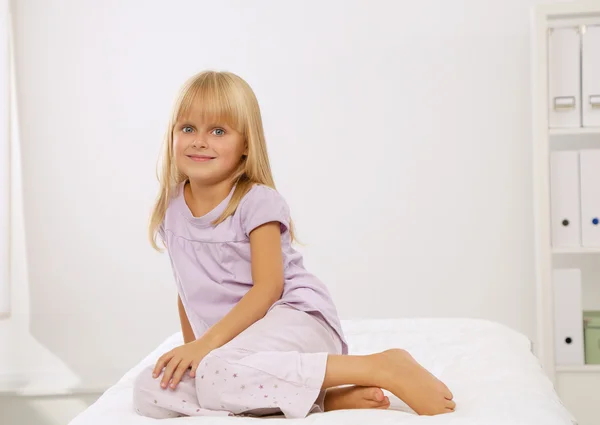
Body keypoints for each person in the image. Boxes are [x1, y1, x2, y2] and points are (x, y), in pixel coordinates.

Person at [132, 70, 455, 419]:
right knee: (149, 390)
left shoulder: (257, 202)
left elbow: (269, 288)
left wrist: (207, 347)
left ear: (246, 145)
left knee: (219, 374)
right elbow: (187, 289)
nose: (199, 141)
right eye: (188, 128)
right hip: (233, 347)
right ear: (172, 135)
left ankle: (380, 366)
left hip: (293, 320)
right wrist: (191, 350)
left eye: (219, 131)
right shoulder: (172, 209)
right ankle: (323, 399)